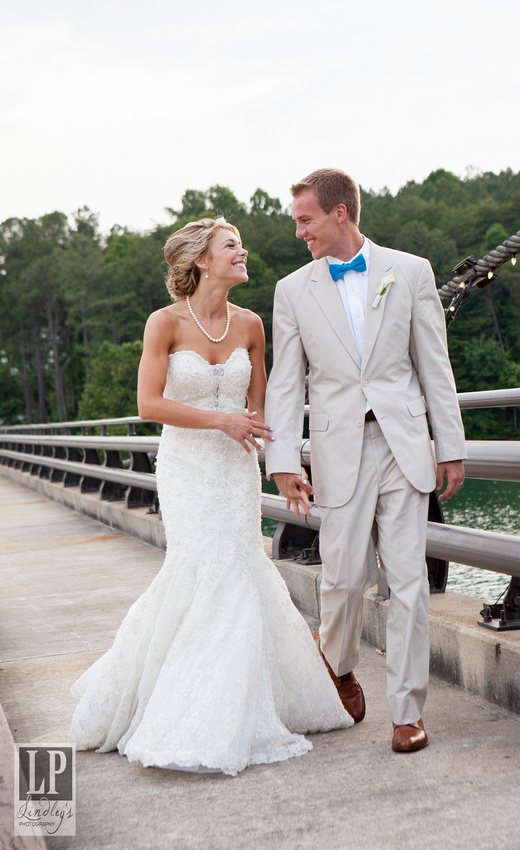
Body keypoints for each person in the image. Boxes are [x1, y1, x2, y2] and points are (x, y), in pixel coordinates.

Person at [69, 216, 353, 776]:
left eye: (240, 245)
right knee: (201, 570)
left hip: (235, 471)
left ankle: (245, 703)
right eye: (231, 245)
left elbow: (265, 407)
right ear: (201, 259)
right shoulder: (164, 323)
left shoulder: (250, 325)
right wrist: (217, 419)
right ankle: (191, 712)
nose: (242, 252)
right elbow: (149, 404)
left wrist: (284, 467)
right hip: (188, 468)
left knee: (239, 570)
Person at [264, 169, 466, 752]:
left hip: (403, 446)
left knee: (408, 583)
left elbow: (434, 365)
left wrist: (448, 445)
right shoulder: (291, 290)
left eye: (306, 219)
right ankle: (341, 665)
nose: (300, 231)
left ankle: (408, 713)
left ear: (340, 214)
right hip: (335, 449)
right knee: (343, 579)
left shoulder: (410, 271)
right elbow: (285, 383)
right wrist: (283, 457)